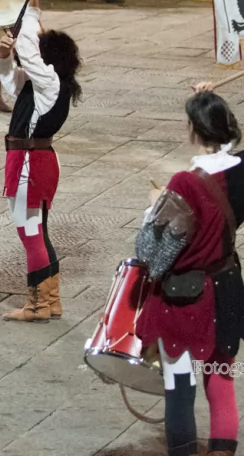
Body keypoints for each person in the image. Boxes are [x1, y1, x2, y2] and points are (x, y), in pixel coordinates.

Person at [135, 88, 244, 456]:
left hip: (187, 297)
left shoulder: (183, 183)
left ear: (193, 130)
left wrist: (154, 208)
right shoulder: (242, 168)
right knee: (221, 378)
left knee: (180, 388)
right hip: (228, 286)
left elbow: (149, 252)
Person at [0, 0, 81, 322]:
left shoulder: (50, 81)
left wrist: (27, 16)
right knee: (38, 231)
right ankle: (52, 301)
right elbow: (9, 78)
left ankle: (37, 305)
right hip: (35, 160)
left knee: (30, 233)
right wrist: (3, 53)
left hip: (32, 162)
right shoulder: (43, 83)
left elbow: (29, 55)